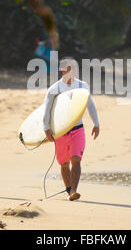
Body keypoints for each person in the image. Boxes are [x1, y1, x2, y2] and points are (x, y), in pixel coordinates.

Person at [42, 57, 100, 201]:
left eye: (74, 68)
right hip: (60, 131)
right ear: (62, 70)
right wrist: (46, 128)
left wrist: (96, 123)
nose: (73, 71)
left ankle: (74, 190)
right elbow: (46, 111)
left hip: (77, 129)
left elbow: (90, 105)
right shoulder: (54, 89)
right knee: (64, 164)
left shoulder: (82, 86)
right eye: (69, 68)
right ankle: (69, 191)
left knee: (76, 159)